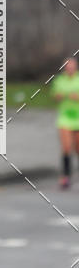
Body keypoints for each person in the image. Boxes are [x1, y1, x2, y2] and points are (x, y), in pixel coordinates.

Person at [51, 57, 79, 189]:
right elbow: (55, 96)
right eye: (67, 67)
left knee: (78, 148)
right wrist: (59, 96)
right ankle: (66, 176)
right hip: (65, 118)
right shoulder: (59, 80)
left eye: (72, 66)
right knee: (66, 148)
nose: (70, 69)